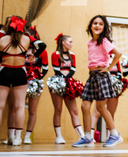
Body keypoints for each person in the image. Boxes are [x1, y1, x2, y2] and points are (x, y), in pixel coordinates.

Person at [73, 15, 123, 147]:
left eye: (101, 24)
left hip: (101, 75)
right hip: (92, 76)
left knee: (101, 107)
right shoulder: (90, 42)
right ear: (91, 26)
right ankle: (88, 137)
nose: (97, 26)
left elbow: (118, 53)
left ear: (104, 27)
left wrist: (109, 68)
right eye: (95, 23)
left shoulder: (104, 41)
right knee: (85, 106)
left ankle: (115, 135)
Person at [0, 17, 45, 145]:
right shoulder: (26, 39)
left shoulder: (2, 39)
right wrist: (34, 55)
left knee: (0, 106)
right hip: (20, 72)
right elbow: (42, 45)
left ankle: (10, 137)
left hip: (4, 71)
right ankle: (18, 138)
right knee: (20, 106)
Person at [50, 33, 83, 144]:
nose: (72, 44)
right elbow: (56, 69)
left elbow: (73, 69)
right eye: (70, 42)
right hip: (58, 83)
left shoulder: (72, 55)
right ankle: (58, 136)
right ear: (63, 42)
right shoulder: (55, 54)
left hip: (68, 83)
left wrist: (68, 81)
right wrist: (63, 80)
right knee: (58, 109)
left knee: (74, 111)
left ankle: (81, 136)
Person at [21, 25, 49, 144]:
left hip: (35, 83)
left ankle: (27, 136)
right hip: (21, 80)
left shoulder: (41, 52)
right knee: (17, 108)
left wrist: (38, 78)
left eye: (29, 36)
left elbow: (46, 68)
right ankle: (13, 135)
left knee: (32, 110)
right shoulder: (21, 49)